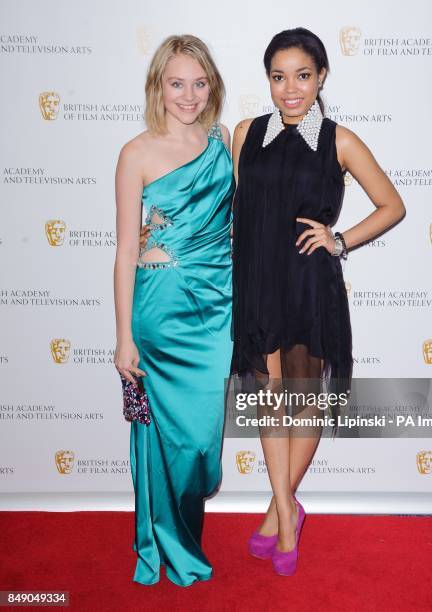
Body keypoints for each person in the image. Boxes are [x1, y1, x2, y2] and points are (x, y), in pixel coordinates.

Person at [230, 27, 405, 576]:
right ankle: (288, 513)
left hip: (307, 283)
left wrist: (340, 239)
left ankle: (278, 518)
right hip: (258, 281)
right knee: (269, 400)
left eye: (302, 76)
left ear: (321, 76)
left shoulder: (339, 140)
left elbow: (391, 206)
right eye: (279, 77)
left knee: (303, 404)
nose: (290, 89)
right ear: (268, 80)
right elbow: (241, 213)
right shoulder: (244, 133)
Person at [113, 34, 234, 587]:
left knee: (201, 444)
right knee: (158, 434)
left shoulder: (222, 139)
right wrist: (123, 337)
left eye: (199, 82)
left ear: (212, 86)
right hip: (158, 309)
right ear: (158, 86)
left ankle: (180, 533)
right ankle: (164, 545)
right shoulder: (136, 152)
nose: (189, 95)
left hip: (217, 307)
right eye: (177, 83)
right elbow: (125, 250)